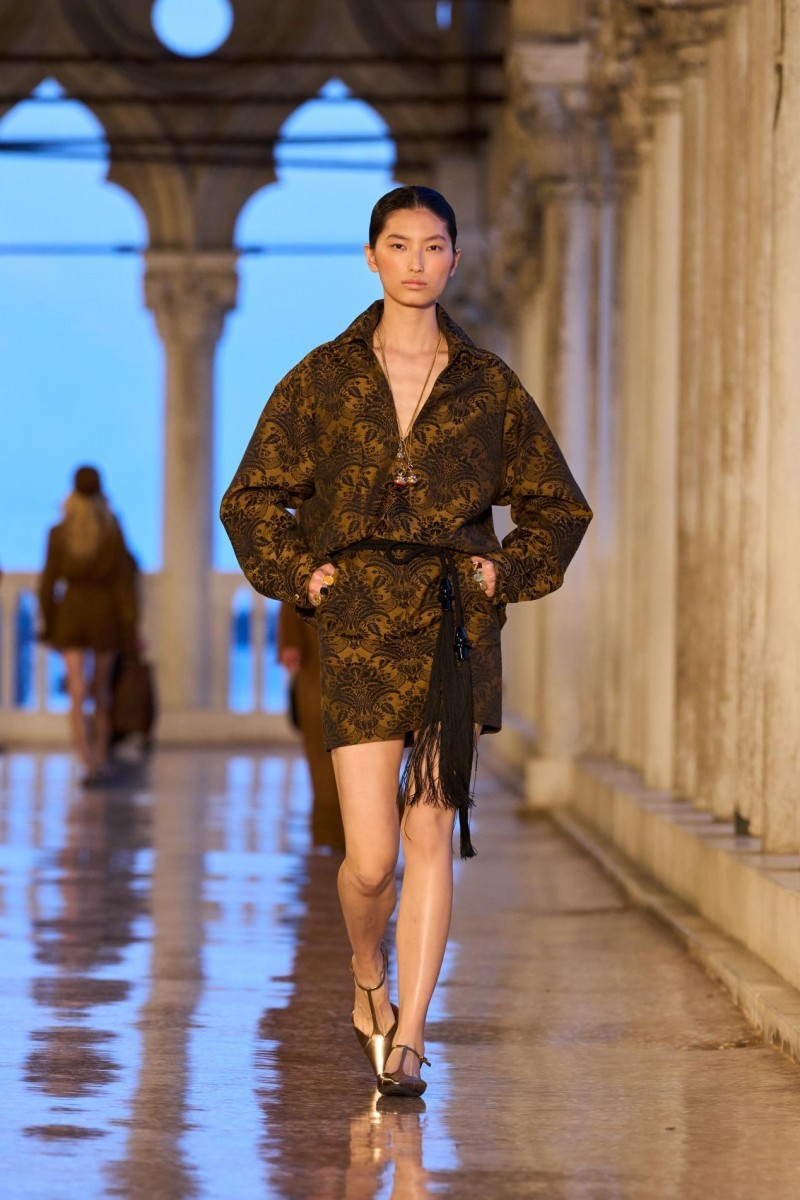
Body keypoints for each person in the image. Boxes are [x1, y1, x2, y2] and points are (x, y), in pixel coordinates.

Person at [220, 185, 592, 1098]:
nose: (416, 262)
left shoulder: (488, 385)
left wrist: (503, 572)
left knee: (431, 831)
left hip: (453, 627)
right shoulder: (323, 377)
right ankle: (367, 975)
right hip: (357, 629)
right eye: (399, 244)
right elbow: (251, 497)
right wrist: (304, 576)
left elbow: (558, 505)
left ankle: (413, 1037)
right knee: (371, 860)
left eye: (433, 246)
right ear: (372, 257)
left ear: (454, 260)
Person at [38, 465, 138, 786]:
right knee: (102, 693)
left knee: (77, 692)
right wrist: (131, 626)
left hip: (70, 613)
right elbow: (123, 582)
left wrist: (48, 623)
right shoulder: (110, 529)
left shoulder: (59, 531)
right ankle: (101, 760)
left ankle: (87, 762)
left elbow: (48, 582)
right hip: (104, 614)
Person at [277, 603, 345, 850]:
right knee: (322, 749)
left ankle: (360, 833)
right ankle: (332, 833)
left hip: (369, 646)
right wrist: (290, 639)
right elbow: (293, 586)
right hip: (318, 652)